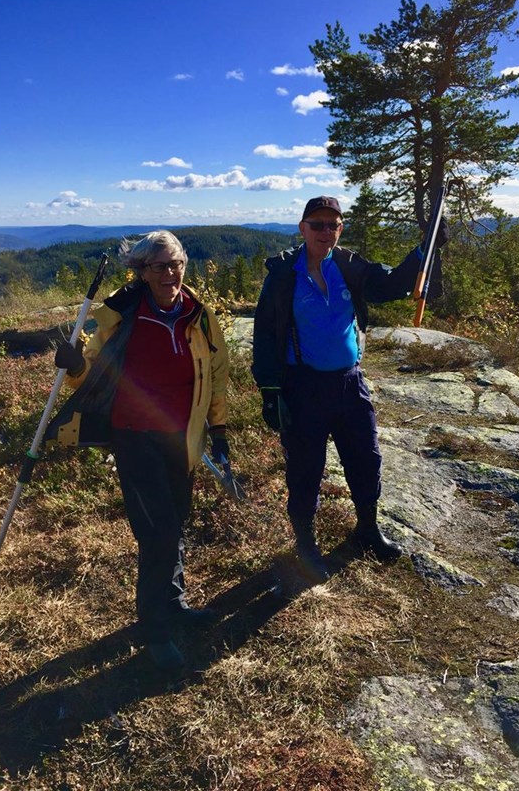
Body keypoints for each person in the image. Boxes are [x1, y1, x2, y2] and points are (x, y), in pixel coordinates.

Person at [46, 230, 229, 672]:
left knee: (176, 522)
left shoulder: (199, 315)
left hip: (182, 437)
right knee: (157, 532)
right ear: (142, 271)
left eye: (177, 264)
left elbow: (217, 372)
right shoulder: (123, 316)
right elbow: (90, 367)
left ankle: (174, 602)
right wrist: (73, 367)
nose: (171, 273)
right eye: (160, 266)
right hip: (134, 437)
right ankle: (155, 630)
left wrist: (218, 428)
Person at [252, 196, 448, 584]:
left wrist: (426, 250)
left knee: (365, 458)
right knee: (305, 469)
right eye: (318, 224)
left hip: (349, 383)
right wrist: (271, 392)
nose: (327, 231)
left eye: (334, 224)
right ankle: (305, 544)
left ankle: (367, 529)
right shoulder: (283, 276)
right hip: (303, 387)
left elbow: (391, 283)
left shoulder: (348, 265)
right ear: (302, 227)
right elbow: (264, 336)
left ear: (340, 229)